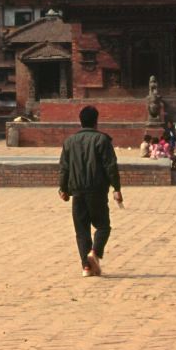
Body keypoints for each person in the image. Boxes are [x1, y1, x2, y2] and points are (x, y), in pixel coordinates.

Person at [58, 106, 123, 278]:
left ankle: (86, 267)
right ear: (96, 121)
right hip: (97, 191)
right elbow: (111, 167)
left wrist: (63, 188)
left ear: (80, 121)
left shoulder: (69, 142)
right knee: (103, 226)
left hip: (77, 192)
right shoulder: (102, 140)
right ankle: (94, 252)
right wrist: (116, 188)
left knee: (82, 230)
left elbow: (64, 168)